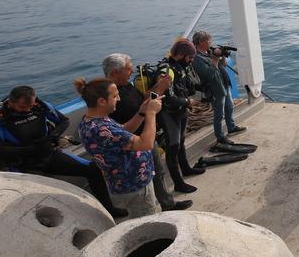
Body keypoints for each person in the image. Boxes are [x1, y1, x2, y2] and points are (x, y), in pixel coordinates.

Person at [0, 85, 127, 218]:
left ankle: (109, 209)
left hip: (47, 155)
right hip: (20, 164)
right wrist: (30, 149)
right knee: (31, 197)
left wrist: (52, 137)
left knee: (93, 169)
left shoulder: (39, 106)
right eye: (22, 107)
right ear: (11, 102)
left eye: (30, 105)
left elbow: (64, 121)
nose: (27, 109)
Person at [103, 53, 192, 211]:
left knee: (158, 172)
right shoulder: (109, 94)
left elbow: (143, 100)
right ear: (115, 72)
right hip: (133, 145)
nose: (131, 71)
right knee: (145, 184)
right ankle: (154, 209)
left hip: (147, 137)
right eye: (128, 68)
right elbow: (133, 115)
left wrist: (159, 87)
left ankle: (167, 204)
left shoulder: (126, 86)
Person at [75, 77, 163, 218]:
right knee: (148, 221)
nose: (119, 99)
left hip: (128, 182)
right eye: (115, 96)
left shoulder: (93, 121)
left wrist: (142, 112)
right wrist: (151, 114)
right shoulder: (101, 129)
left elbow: (124, 131)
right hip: (134, 185)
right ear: (102, 101)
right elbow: (146, 143)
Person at [160, 39, 206, 193]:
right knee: (173, 147)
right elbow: (168, 97)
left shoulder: (181, 66)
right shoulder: (167, 70)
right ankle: (178, 183)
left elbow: (189, 87)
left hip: (181, 111)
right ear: (180, 54)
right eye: (190, 58)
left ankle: (186, 169)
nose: (191, 60)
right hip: (170, 114)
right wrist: (188, 102)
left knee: (181, 142)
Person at [191, 30, 246, 144]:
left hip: (224, 85)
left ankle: (231, 127)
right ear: (201, 42)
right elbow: (208, 75)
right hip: (215, 90)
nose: (211, 42)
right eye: (209, 40)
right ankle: (220, 137)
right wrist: (215, 59)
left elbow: (223, 65)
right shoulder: (197, 58)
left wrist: (222, 57)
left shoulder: (208, 51)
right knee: (219, 114)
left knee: (229, 107)